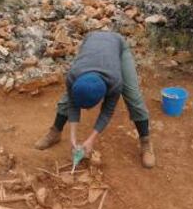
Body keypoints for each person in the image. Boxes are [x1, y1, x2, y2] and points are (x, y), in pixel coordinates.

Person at [34, 31, 155, 168]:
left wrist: (91, 139)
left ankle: (145, 142)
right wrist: (73, 137)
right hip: (92, 42)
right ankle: (55, 132)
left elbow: (107, 111)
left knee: (133, 97)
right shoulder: (73, 75)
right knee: (66, 99)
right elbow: (73, 103)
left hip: (117, 45)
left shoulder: (114, 81)